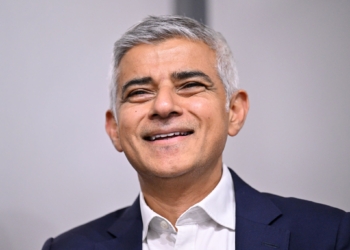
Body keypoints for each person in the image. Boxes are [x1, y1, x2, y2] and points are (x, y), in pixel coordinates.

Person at [42, 15, 350, 250]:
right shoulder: (67, 248)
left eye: (190, 85)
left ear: (234, 111)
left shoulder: (330, 235)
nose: (163, 106)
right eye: (138, 92)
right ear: (115, 130)